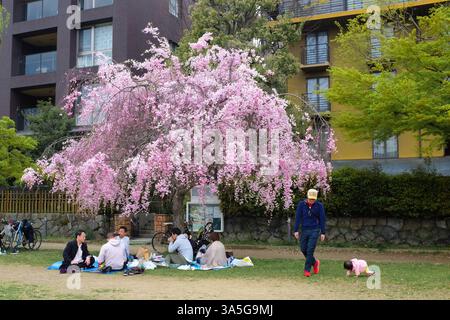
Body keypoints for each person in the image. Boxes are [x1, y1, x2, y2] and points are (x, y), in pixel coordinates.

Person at [294, 188, 326, 277]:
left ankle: (307, 270)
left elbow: (322, 219)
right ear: (307, 197)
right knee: (303, 249)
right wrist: (296, 230)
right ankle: (315, 262)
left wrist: (323, 232)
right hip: (304, 230)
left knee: (310, 250)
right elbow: (298, 217)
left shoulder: (319, 206)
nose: (311, 201)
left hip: (315, 230)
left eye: (313, 199)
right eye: (310, 199)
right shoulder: (301, 205)